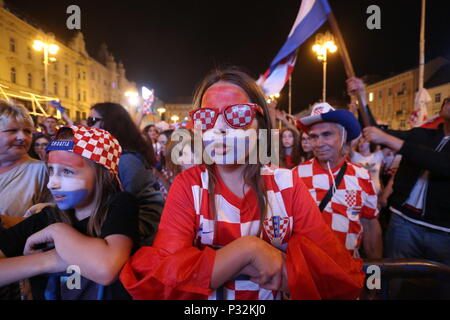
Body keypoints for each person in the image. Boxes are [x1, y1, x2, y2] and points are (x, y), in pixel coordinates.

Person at [119, 68, 364, 300]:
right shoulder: (189, 186)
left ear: (261, 125)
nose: (219, 129)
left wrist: (287, 273)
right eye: (206, 118)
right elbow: (164, 278)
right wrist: (250, 251)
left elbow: (335, 275)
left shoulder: (287, 184)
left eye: (237, 116)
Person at [0, 125, 139, 300]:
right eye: (51, 171)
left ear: (104, 174)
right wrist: (50, 261)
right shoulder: (47, 217)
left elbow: (105, 269)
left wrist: (57, 231)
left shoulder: (119, 205)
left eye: (67, 171)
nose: (52, 184)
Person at [349, 79, 450, 262]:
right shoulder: (422, 134)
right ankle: (377, 288)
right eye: (448, 99)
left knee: (440, 286)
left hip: (444, 231)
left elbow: (440, 163)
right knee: (395, 280)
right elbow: (376, 132)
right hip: (403, 222)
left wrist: (390, 141)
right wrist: (362, 97)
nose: (448, 101)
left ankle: (375, 286)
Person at [295, 102, 382, 259]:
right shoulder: (295, 175)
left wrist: (375, 279)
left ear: (343, 137)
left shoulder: (362, 176)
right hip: (308, 269)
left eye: (327, 134)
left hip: (349, 269)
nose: (319, 143)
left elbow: (370, 225)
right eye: (314, 136)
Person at [88, 103, 164, 246]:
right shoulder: (109, 157)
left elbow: (150, 208)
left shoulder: (126, 161)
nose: (88, 127)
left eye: (92, 121)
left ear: (110, 123)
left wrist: (125, 239)